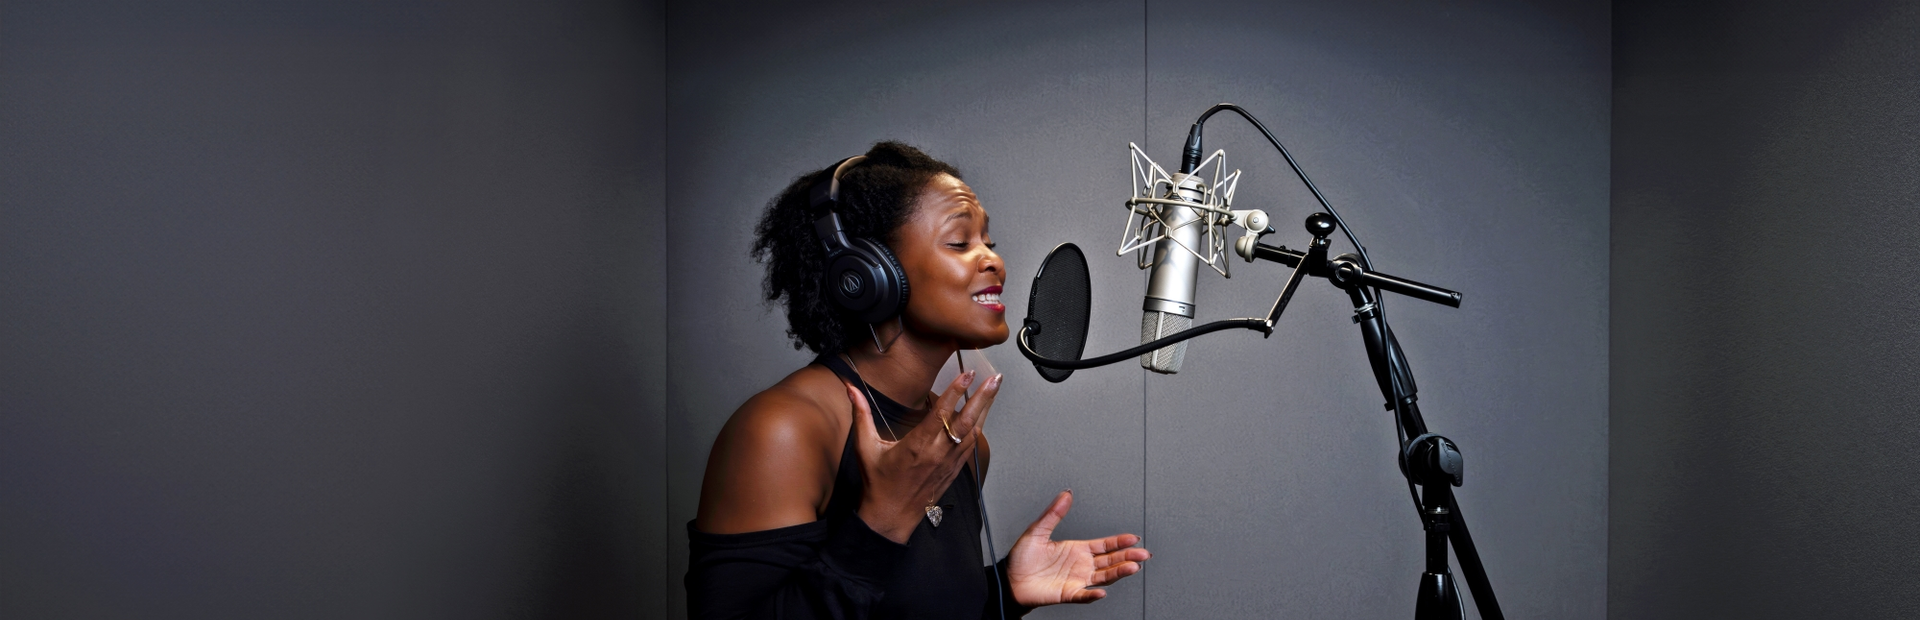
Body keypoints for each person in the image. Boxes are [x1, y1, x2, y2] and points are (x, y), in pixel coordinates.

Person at [686, 142, 1149, 619]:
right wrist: (880, 524)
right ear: (868, 274)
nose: (993, 261)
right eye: (960, 242)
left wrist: (1004, 591)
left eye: (989, 242)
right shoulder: (784, 430)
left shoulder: (961, 445)